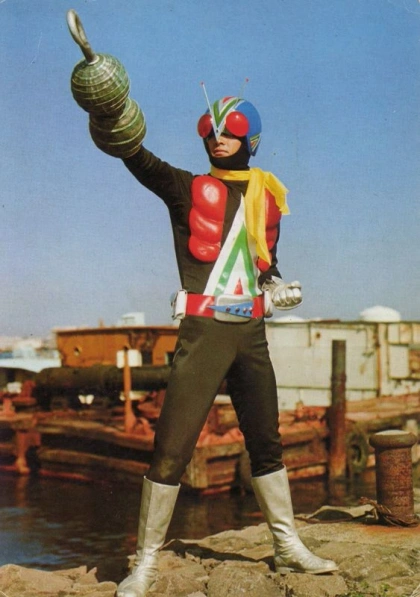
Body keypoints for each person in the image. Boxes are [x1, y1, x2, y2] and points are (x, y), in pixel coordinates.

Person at [91, 94, 338, 596]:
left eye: (229, 130)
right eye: (211, 130)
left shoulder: (267, 198)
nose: (218, 138)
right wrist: (112, 116)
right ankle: (146, 564)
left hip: (251, 333)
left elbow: (265, 264)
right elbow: (140, 160)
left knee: (266, 443)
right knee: (171, 450)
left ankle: (287, 545)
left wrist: (277, 286)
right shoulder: (187, 188)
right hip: (203, 332)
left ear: (251, 138)